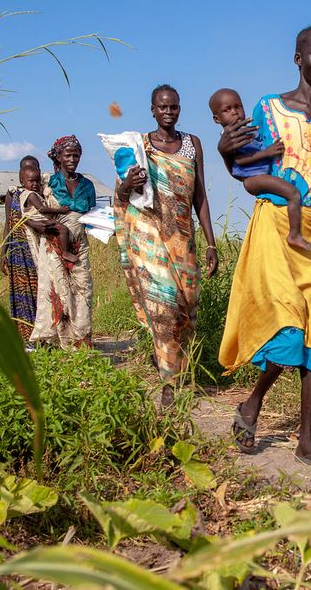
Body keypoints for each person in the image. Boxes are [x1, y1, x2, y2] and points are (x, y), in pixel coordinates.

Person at [217, 25, 311, 474]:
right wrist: (223, 151)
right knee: (291, 326)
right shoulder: (267, 108)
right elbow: (242, 162)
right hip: (276, 228)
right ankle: (254, 402)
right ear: (297, 59)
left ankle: (305, 441)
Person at [114, 84, 219, 406]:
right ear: (152, 110)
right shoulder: (139, 146)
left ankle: (176, 368)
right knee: (164, 307)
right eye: (162, 107)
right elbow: (120, 196)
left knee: (185, 309)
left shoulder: (192, 144)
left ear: (180, 108)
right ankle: (169, 383)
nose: (168, 112)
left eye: (174, 107)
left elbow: (199, 195)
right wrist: (127, 186)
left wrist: (211, 243)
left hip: (182, 239)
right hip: (149, 237)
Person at [208, 88, 311, 252]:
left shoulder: (247, 130)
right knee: (293, 193)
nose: (235, 113)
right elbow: (238, 161)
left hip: (260, 174)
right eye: (227, 110)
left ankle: (290, 230)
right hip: (253, 179)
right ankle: (294, 235)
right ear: (216, 118)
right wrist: (267, 152)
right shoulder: (231, 138)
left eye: (238, 107)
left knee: (291, 193)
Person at [38, 135, 96, 346]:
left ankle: (81, 339)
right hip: (54, 243)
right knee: (59, 290)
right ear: (59, 157)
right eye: (68, 155)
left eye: (77, 155)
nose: (73, 159)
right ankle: (60, 342)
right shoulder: (49, 183)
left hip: (79, 245)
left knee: (83, 289)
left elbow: (92, 214)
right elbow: (35, 210)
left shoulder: (87, 185)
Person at [18, 163, 78, 349]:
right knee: (62, 228)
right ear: (22, 181)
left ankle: (59, 333)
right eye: (31, 181)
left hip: (42, 229)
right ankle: (66, 251)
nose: (35, 184)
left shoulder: (41, 190)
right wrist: (61, 211)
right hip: (42, 227)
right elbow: (43, 210)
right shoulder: (30, 195)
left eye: (37, 181)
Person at [1, 155, 41, 347]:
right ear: (20, 176)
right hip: (18, 250)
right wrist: (3, 253)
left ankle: (44, 335)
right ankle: (26, 338)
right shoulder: (12, 194)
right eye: (26, 169)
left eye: (34, 169)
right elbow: (8, 222)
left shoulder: (43, 193)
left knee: (41, 291)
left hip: (40, 249)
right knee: (22, 292)